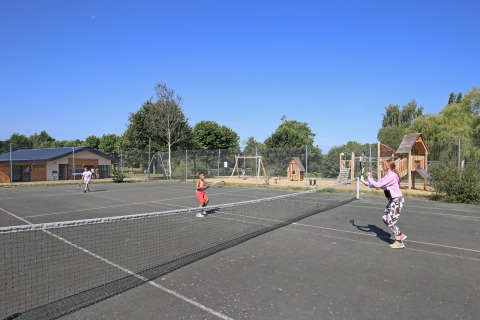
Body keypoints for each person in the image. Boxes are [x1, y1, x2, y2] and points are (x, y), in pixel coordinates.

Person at [361, 159, 407, 249]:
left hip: (397, 200)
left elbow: (377, 185)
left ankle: (399, 241)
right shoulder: (387, 176)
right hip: (391, 200)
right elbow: (377, 184)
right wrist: (365, 182)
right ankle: (399, 234)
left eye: (383, 165)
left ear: (388, 167)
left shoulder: (392, 176)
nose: (382, 167)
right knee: (385, 218)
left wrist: (369, 178)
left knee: (390, 221)